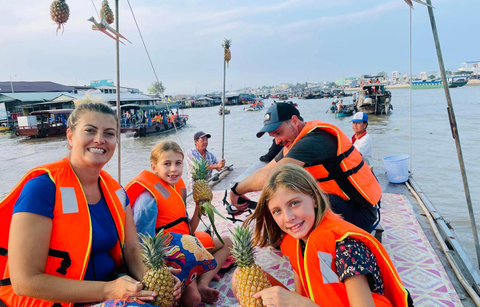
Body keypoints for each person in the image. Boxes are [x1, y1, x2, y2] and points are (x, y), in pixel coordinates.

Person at [0, 97, 181, 307]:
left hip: (110, 286)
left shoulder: (117, 191)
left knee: (179, 271)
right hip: (57, 300)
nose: (99, 139)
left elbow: (132, 249)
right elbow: (25, 282)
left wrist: (151, 279)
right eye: (90, 130)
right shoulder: (43, 188)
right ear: (70, 136)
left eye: (109, 133)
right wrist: (109, 290)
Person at [234, 164, 412, 307]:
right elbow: (305, 291)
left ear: (313, 198)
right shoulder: (295, 241)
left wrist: (301, 304)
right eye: (277, 211)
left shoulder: (346, 248)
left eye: (295, 203)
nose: (288, 218)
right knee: (238, 279)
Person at [229, 102, 382, 232]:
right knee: (284, 200)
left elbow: (271, 176)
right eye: (273, 136)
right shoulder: (294, 141)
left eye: (278, 133)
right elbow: (266, 169)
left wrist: (237, 190)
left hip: (359, 213)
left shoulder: (315, 140)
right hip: (337, 201)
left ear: (294, 121)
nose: (277, 141)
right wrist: (238, 188)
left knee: (288, 203)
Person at [125, 140, 232, 307]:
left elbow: (189, 229)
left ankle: (202, 283)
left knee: (228, 242)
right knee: (193, 300)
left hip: (187, 245)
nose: (174, 169)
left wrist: (199, 205)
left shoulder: (178, 187)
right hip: (167, 256)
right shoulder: (147, 199)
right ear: (154, 168)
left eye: (178, 163)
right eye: (167, 164)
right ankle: (197, 282)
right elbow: (141, 245)